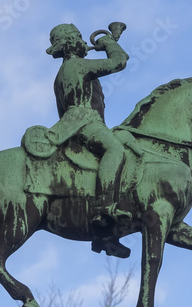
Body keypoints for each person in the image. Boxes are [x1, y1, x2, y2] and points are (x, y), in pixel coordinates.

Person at [44, 22, 131, 256]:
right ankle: (103, 208)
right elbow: (119, 62)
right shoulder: (77, 65)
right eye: (79, 37)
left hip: (75, 125)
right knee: (115, 151)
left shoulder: (63, 72)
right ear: (71, 43)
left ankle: (106, 237)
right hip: (85, 121)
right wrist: (108, 42)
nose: (83, 41)